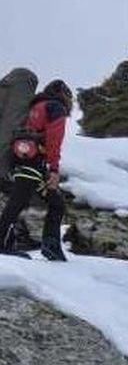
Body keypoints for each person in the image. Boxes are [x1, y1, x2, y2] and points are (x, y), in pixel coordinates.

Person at [0, 79, 72, 261]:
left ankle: (51, 246)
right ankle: (4, 242)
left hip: (21, 160)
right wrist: (54, 170)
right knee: (19, 201)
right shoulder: (56, 108)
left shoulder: (34, 107)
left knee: (54, 202)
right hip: (35, 162)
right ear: (62, 94)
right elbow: (54, 141)